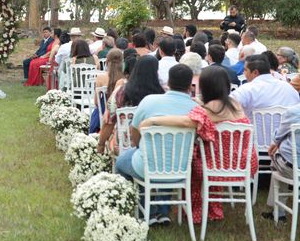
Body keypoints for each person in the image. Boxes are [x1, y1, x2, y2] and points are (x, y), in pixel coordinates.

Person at [139, 66, 256, 224]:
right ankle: (214, 210)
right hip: (244, 165)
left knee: (190, 163)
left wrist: (153, 120)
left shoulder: (205, 112)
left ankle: (196, 213)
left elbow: (186, 121)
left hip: (216, 167)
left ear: (205, 87)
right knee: (205, 157)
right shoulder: (234, 104)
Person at [115, 64, 198, 225]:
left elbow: (135, 130)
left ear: (168, 82)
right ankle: (162, 211)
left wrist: (139, 146)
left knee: (121, 163)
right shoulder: (196, 109)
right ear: (190, 86)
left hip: (146, 167)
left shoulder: (149, 101)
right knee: (168, 157)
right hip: (181, 169)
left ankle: (143, 208)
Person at [231, 55, 299, 121]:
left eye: (245, 70)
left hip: (254, 131)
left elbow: (227, 107)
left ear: (255, 72)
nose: (244, 73)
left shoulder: (246, 89)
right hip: (286, 131)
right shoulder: (288, 88)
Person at [262, 102, 300, 221]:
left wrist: (275, 142)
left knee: (276, 161)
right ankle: (277, 211)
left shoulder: (294, 111)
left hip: (293, 168)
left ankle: (278, 212)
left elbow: (279, 135)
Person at [92, 49, 124, 134]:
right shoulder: (125, 77)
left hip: (104, 111)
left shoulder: (100, 77)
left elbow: (96, 102)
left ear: (107, 61)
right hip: (122, 110)